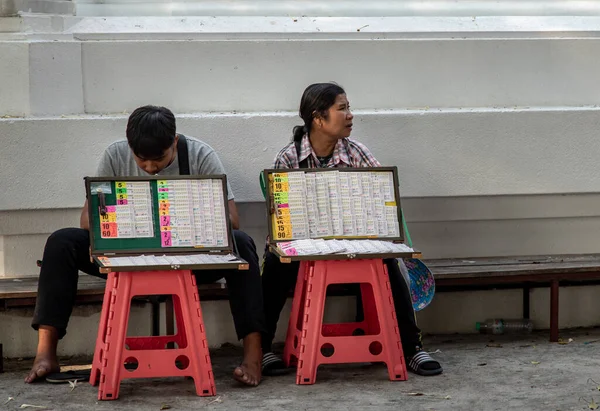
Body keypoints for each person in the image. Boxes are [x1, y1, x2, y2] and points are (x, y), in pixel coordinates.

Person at [26, 105, 265, 387]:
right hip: (127, 257)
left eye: (160, 159)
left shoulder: (200, 155)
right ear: (130, 147)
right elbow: (86, 221)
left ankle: (253, 354)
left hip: (188, 259)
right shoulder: (115, 155)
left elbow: (233, 220)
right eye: (142, 161)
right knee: (60, 242)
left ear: (174, 142)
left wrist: (181, 213)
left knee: (243, 244)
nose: (151, 168)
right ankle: (45, 354)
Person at [260, 83, 443, 377]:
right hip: (306, 252)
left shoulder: (358, 153)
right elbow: (282, 221)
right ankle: (264, 349)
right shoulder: (288, 159)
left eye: (348, 107)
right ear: (318, 118)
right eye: (342, 108)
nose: (350, 115)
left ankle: (411, 348)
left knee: (390, 262)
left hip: (354, 247)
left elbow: (383, 204)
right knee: (273, 264)